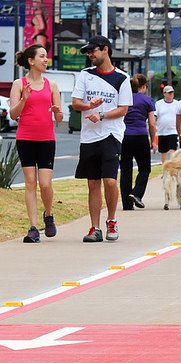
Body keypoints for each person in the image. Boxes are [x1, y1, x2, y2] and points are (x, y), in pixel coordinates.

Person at [71, 35, 132, 242]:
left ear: (105, 50)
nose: (90, 55)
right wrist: (90, 106)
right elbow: (76, 102)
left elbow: (123, 109)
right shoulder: (85, 75)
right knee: (93, 183)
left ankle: (112, 220)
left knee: (110, 181)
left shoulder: (122, 78)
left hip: (111, 134)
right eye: (88, 52)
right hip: (89, 136)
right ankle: (94, 227)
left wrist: (103, 114)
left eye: (93, 51)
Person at [9, 44, 63, 243]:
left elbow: (59, 117)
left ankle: (48, 215)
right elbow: (13, 114)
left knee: (46, 184)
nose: (45, 59)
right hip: (26, 138)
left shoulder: (52, 85)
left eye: (46, 56)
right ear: (31, 61)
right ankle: (32, 227)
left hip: (47, 139)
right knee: (30, 182)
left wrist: (57, 111)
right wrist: (24, 100)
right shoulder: (19, 84)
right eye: (42, 56)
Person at [121, 74, 157, 210]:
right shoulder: (147, 101)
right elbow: (152, 124)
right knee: (145, 168)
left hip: (125, 137)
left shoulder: (124, 100)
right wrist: (153, 140)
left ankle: (126, 204)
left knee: (125, 169)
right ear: (142, 86)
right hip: (140, 136)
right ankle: (136, 193)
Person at [155, 85, 180, 163]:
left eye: (172, 92)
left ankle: (172, 166)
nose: (171, 94)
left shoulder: (177, 103)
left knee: (172, 150)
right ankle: (164, 168)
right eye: (169, 93)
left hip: (173, 131)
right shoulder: (159, 104)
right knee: (163, 151)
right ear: (164, 94)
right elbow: (155, 115)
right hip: (162, 131)